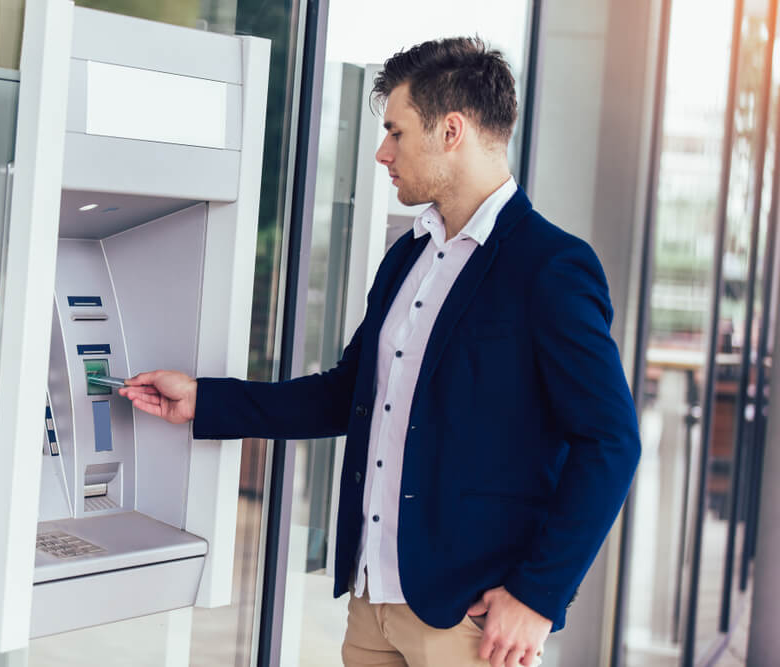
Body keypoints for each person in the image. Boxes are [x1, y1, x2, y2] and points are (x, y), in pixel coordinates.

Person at [119, 37, 641, 667]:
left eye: (396, 131)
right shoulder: (407, 259)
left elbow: (610, 441)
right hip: (373, 605)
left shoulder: (551, 266)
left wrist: (538, 596)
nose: (382, 152)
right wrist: (207, 401)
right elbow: (348, 394)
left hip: (470, 621)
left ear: (451, 131)